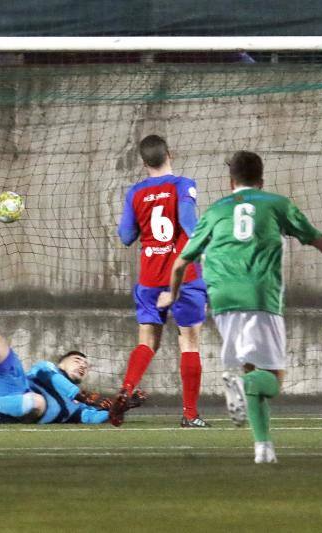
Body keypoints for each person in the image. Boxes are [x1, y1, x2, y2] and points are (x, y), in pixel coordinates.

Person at [157, 151, 322, 463]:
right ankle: (240, 385)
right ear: (262, 180)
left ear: (231, 182)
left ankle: (263, 448)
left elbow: (181, 263)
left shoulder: (215, 211)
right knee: (273, 380)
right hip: (260, 297)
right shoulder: (277, 204)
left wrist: (172, 296)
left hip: (223, 300)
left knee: (253, 370)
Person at [0, 276, 137, 425]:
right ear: (62, 362)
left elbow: (93, 418)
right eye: (77, 359)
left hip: (25, 408)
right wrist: (82, 395)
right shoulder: (46, 370)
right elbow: (61, 383)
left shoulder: (81, 406)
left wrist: (122, 407)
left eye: (86, 365)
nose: (83, 365)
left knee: (36, 402)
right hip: (13, 389)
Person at [116, 135, 209, 428]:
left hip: (149, 276)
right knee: (189, 343)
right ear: (170, 153)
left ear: (143, 162)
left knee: (147, 341)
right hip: (184, 277)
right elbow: (188, 222)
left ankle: (125, 390)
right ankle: (190, 415)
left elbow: (125, 236)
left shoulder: (135, 192)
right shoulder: (183, 184)